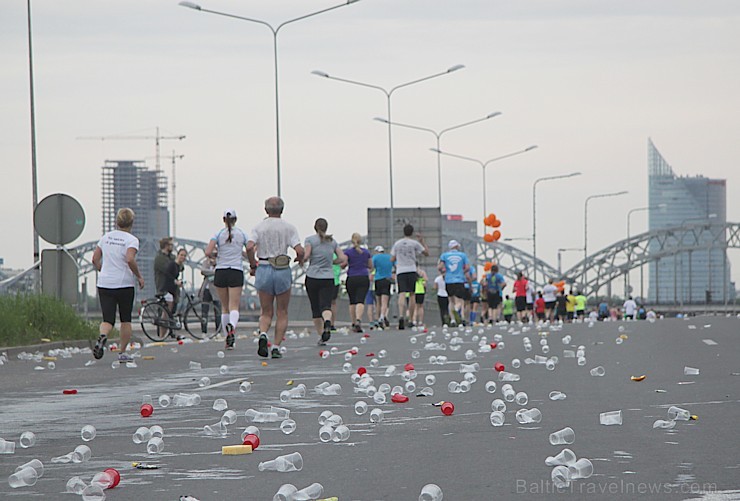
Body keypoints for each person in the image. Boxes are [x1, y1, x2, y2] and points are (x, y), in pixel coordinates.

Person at [246, 197, 304, 359]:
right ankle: (276, 346)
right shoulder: (289, 228)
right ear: (282, 210)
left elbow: (250, 246)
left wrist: (252, 264)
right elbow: (299, 250)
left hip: (264, 268)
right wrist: (300, 259)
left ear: (266, 210)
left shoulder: (259, 227)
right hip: (282, 269)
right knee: (282, 311)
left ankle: (263, 333)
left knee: (266, 311)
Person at [91, 208, 145, 362]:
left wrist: (104, 270)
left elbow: (95, 259)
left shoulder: (106, 237)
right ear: (132, 223)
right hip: (124, 284)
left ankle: (102, 337)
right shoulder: (131, 240)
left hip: (105, 283)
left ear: (117, 222)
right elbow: (129, 259)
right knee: (125, 319)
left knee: (107, 319)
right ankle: (122, 353)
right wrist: (139, 276)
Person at [205, 209, 248, 351]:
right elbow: (250, 248)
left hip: (221, 271)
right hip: (236, 270)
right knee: (234, 306)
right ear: (236, 219)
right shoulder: (242, 234)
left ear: (223, 220)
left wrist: (216, 255)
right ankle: (232, 327)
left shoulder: (218, 234)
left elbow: (207, 251)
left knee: (224, 307)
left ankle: (227, 339)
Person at [304, 218, 347, 346]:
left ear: (315, 227)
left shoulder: (310, 240)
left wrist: (301, 259)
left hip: (312, 277)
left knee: (315, 308)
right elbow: (343, 258)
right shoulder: (332, 242)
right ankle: (328, 321)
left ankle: (321, 336)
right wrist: (333, 262)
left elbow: (306, 255)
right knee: (326, 305)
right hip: (328, 278)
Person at [391, 224, 429, 330]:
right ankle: (412, 319)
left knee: (402, 294)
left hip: (401, 270)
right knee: (412, 295)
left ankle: (401, 315)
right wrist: (422, 241)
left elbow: (392, 258)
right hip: (411, 270)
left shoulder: (397, 244)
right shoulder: (414, 243)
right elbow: (426, 253)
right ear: (412, 233)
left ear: (403, 232)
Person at [344, 233, 373, 333]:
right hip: (363, 277)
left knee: (352, 301)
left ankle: (353, 323)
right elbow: (370, 266)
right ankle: (358, 320)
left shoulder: (347, 252)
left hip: (351, 277)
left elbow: (343, 264)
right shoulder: (366, 252)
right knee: (360, 300)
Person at [154, 237, 175, 338]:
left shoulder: (171, 257)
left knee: (170, 312)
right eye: (171, 245)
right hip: (163, 288)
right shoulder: (159, 258)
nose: (172, 246)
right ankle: (161, 336)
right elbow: (168, 270)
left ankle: (169, 333)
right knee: (165, 311)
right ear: (166, 246)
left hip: (172, 288)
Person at [198, 253, 221, 333]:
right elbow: (203, 271)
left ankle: (218, 331)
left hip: (216, 291)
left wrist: (210, 273)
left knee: (217, 312)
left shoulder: (220, 263)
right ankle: (203, 332)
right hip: (206, 290)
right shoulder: (206, 263)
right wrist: (214, 272)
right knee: (204, 312)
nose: (212, 258)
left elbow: (219, 272)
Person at [372, 246, 392, 328]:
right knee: (385, 302)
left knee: (378, 301)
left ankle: (377, 318)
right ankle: (382, 317)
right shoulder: (389, 257)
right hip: (387, 280)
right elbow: (395, 265)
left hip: (378, 280)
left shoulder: (375, 257)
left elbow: (371, 267)